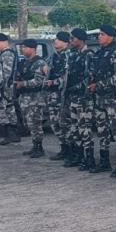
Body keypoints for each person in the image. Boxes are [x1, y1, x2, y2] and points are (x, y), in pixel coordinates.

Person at [92, 24, 116, 177]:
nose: (99, 37)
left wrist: (99, 85)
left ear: (111, 36)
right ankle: (104, 162)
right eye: (99, 34)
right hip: (100, 98)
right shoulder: (100, 53)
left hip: (114, 98)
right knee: (102, 131)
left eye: (102, 34)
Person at [15, 39, 48, 158]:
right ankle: (34, 146)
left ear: (32, 49)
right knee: (28, 123)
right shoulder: (25, 62)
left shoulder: (39, 63)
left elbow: (39, 81)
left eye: (25, 47)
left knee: (35, 123)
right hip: (25, 97)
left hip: (35, 98)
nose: (22, 49)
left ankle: (39, 148)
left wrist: (23, 84)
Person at [63, 29, 90, 169]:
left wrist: (76, 87)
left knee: (84, 129)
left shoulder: (88, 54)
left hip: (83, 98)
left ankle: (88, 159)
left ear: (80, 39)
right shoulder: (73, 54)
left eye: (73, 38)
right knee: (74, 128)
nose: (70, 41)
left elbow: (89, 77)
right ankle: (78, 156)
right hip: (72, 97)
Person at [46, 32, 73, 161]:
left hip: (63, 95)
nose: (55, 41)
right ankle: (63, 148)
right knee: (54, 123)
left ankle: (70, 150)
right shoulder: (54, 56)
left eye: (58, 39)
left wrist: (54, 82)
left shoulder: (68, 56)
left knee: (65, 124)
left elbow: (68, 77)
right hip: (52, 94)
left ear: (65, 42)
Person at [0, 33, 21, 145]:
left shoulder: (7, 54)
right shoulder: (5, 54)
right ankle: (12, 134)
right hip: (6, 87)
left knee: (5, 109)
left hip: (5, 87)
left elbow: (6, 74)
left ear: (5, 42)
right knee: (9, 109)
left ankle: (10, 133)